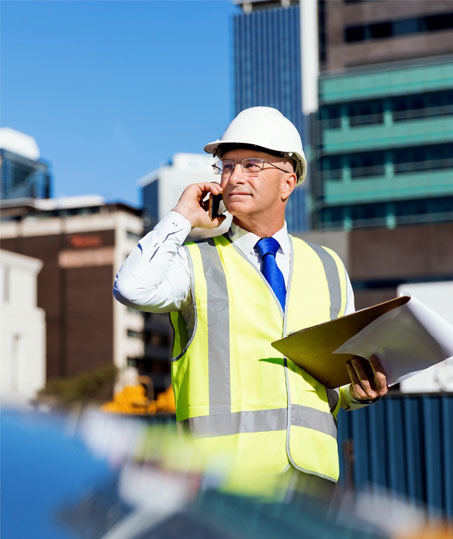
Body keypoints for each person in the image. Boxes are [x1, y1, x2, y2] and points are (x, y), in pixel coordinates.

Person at [114, 106, 388, 494]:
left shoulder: (329, 268)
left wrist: (359, 393)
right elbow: (131, 287)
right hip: (223, 485)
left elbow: (337, 381)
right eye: (226, 167)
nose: (234, 178)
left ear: (288, 182)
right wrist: (181, 218)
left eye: (252, 165)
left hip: (313, 485)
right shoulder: (193, 263)